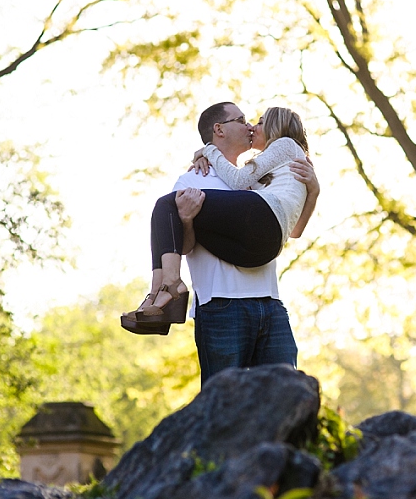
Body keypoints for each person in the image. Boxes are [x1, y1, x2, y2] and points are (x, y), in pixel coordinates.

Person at [121, 102, 319, 385]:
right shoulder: (192, 179)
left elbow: (292, 229)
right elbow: (184, 246)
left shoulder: (257, 180)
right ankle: (164, 288)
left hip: (269, 302)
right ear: (219, 129)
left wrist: (313, 190)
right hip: (222, 304)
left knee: (284, 394)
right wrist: (187, 220)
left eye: (255, 121)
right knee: (222, 399)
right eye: (243, 120)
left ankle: (164, 289)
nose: (250, 126)